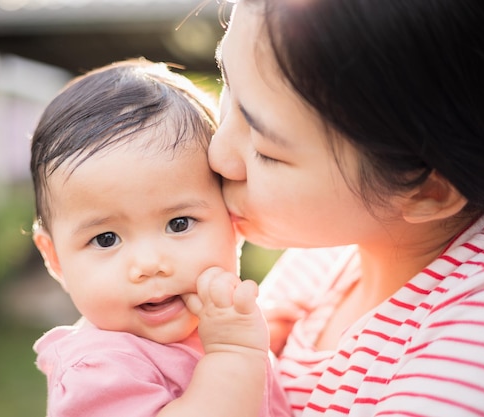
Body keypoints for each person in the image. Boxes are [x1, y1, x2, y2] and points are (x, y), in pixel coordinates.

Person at [209, 0, 484, 415]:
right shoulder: (329, 254)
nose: (218, 155)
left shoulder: (467, 352)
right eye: (226, 86)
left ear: (429, 191)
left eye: (266, 150)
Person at [29, 59, 290, 417]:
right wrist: (235, 353)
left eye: (179, 223)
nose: (149, 264)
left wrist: (267, 333)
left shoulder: (217, 328)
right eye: (106, 239)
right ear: (55, 258)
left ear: (232, 219)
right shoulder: (98, 371)